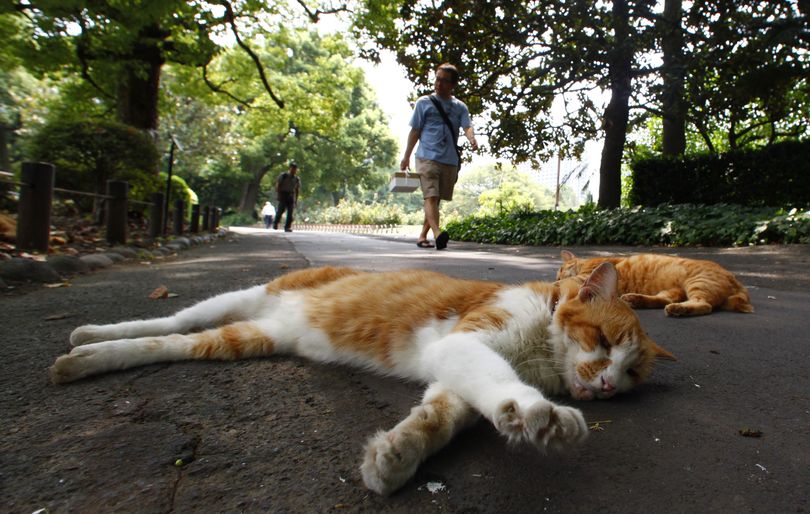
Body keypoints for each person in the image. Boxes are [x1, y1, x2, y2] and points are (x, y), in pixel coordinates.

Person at [400, 63, 478, 250]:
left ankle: (422, 236)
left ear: (452, 85)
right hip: (426, 157)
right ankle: (437, 233)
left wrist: (471, 138)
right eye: (437, 78)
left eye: (444, 80)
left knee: (436, 198)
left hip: (449, 159)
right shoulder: (423, 103)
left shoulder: (460, 107)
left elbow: (466, 125)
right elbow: (415, 131)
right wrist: (406, 156)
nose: (439, 83)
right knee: (431, 196)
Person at [274, 162, 300, 232]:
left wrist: (296, 200)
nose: (294, 170)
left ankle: (287, 227)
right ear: (290, 168)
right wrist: (278, 195)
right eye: (292, 168)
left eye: (295, 169)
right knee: (281, 210)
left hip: (290, 195)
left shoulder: (296, 179)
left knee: (290, 212)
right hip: (283, 194)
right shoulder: (284, 175)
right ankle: (276, 223)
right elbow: (278, 185)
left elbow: (297, 189)